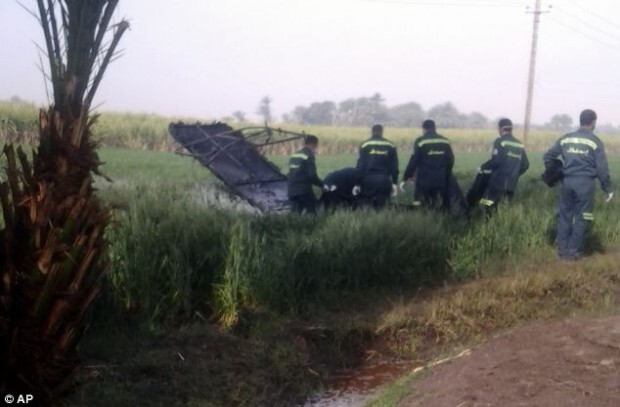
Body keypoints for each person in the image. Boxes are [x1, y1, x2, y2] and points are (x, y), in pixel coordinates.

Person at [543, 109, 613, 260]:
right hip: (585, 183)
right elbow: (602, 168)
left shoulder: (566, 139)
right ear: (593, 122)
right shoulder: (595, 142)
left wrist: (556, 170)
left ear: (581, 120)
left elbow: (548, 156)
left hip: (567, 182)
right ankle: (574, 252)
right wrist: (607, 188)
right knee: (583, 217)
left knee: (565, 216)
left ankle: (563, 252)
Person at [401, 119, 455, 210]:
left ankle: (419, 216)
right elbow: (450, 159)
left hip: (424, 179)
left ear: (424, 129)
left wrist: (406, 177)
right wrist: (446, 173)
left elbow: (414, 161)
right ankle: (437, 218)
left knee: (419, 201)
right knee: (436, 202)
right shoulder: (445, 141)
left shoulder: (421, 141)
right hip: (440, 179)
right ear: (434, 128)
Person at [479, 118, 529, 211]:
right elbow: (525, 164)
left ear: (500, 128)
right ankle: (505, 222)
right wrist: (515, 174)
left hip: (498, 182)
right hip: (511, 184)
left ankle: (487, 221)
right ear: (511, 129)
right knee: (506, 207)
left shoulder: (500, 141)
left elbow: (496, 161)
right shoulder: (519, 144)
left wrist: (483, 167)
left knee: (487, 203)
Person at [354, 124, 399, 209]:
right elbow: (394, 166)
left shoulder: (364, 145)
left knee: (367, 206)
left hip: (367, 181)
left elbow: (360, 166)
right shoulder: (391, 145)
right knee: (382, 207)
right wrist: (394, 183)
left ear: (372, 132)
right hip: (384, 181)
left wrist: (357, 183)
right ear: (382, 132)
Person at [287, 135, 323, 214]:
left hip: (291, 190)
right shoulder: (309, 155)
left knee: (295, 215)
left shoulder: (295, 155)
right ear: (314, 144)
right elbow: (312, 175)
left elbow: (291, 173)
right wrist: (322, 184)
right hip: (303, 191)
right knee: (312, 212)